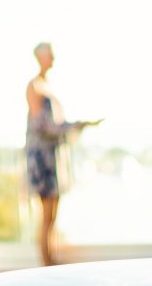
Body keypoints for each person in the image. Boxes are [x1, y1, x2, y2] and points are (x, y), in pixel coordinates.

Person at [25, 42, 100, 267]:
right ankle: (46, 265)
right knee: (46, 216)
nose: (54, 59)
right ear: (41, 57)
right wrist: (76, 125)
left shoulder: (47, 85)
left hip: (53, 157)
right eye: (51, 55)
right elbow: (43, 126)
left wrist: (78, 125)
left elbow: (54, 125)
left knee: (54, 215)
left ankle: (52, 260)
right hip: (42, 159)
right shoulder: (34, 86)